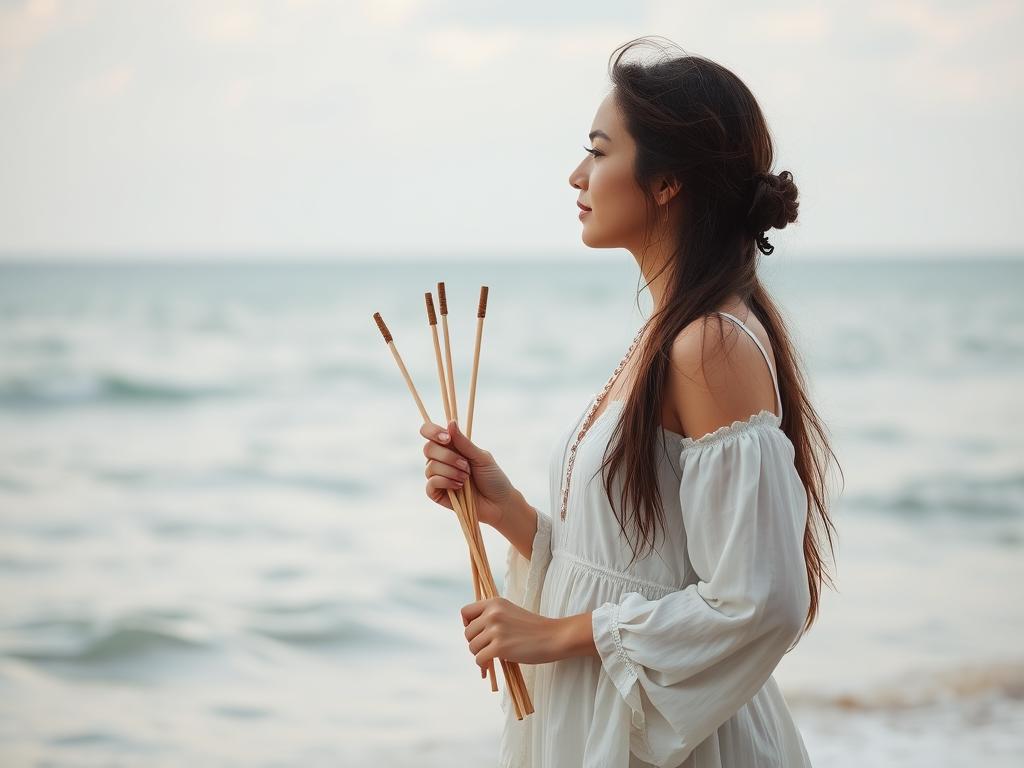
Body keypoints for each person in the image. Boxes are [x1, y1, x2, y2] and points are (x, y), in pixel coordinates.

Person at [419, 36, 840, 768]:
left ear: (667, 181)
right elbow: (639, 566)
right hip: (603, 720)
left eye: (599, 151)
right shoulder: (669, 333)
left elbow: (759, 599)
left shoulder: (710, 344)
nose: (577, 174)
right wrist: (506, 510)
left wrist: (552, 634)